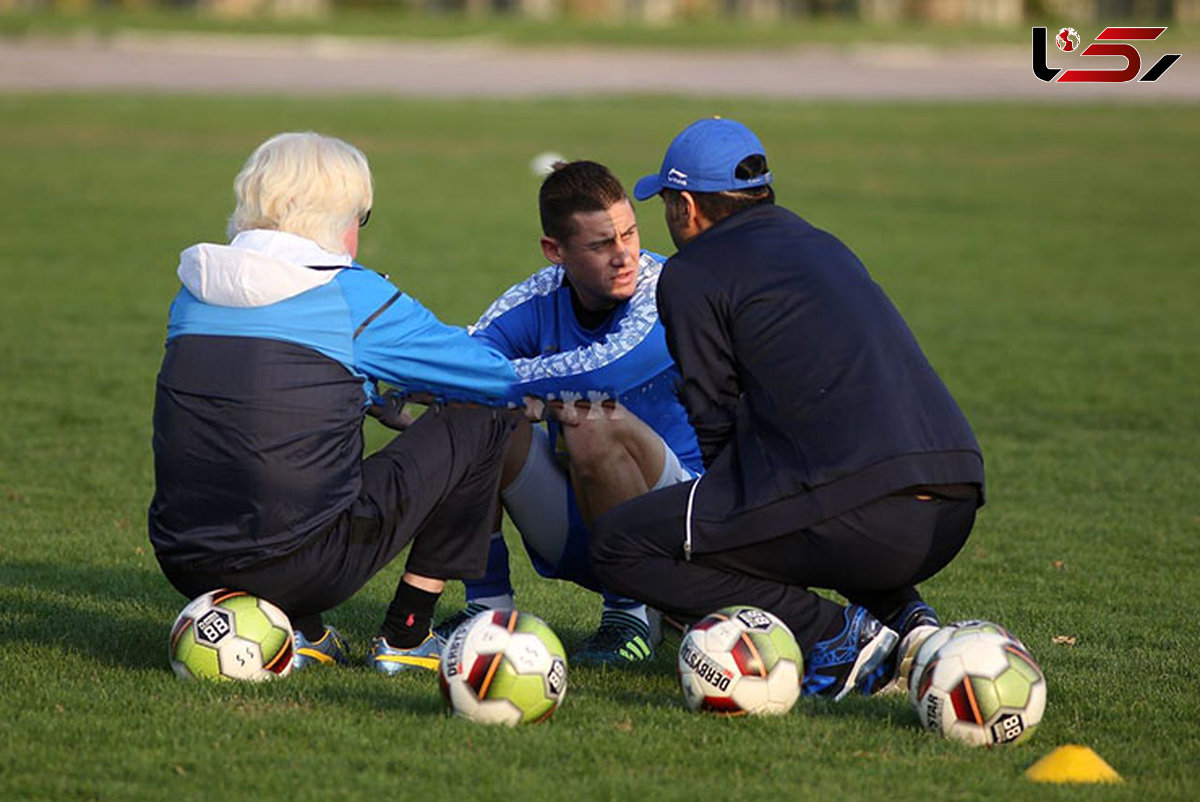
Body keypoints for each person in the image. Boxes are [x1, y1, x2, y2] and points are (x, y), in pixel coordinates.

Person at [592, 118, 985, 699]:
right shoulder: (823, 243)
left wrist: (719, 533)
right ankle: (908, 623)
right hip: (953, 500)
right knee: (804, 501)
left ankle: (838, 637)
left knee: (619, 544)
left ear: (686, 207)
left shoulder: (692, 273)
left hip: (870, 518)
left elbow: (713, 411)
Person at [148, 132, 522, 675]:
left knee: (274, 463)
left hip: (183, 557)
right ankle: (407, 636)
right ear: (339, 217)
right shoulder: (352, 296)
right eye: (360, 217)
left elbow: (259, 392)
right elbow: (496, 379)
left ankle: (306, 632)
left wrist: (364, 392)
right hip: (301, 566)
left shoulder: (196, 289)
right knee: (484, 413)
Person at [435, 160, 703, 665]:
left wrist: (507, 385)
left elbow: (603, 372)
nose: (625, 255)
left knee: (588, 417)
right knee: (476, 414)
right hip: (583, 530)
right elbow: (463, 363)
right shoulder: (537, 296)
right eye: (601, 244)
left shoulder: (667, 289)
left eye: (629, 233)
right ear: (555, 252)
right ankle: (486, 611)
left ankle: (631, 616)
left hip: (685, 532)